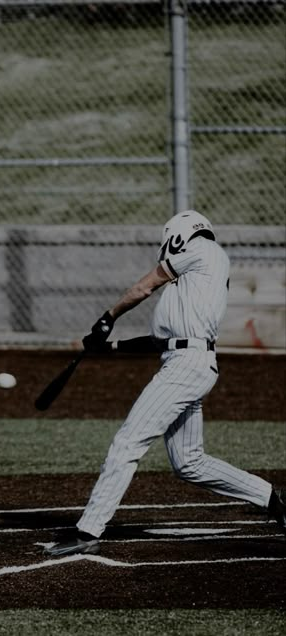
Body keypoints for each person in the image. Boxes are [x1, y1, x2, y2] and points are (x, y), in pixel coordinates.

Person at [44, 210, 285, 557]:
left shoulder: (203, 251)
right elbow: (162, 340)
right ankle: (269, 497)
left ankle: (88, 530)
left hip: (187, 366)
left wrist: (108, 317)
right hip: (188, 362)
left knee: (127, 442)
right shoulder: (193, 281)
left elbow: (144, 286)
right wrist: (108, 345)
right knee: (189, 462)